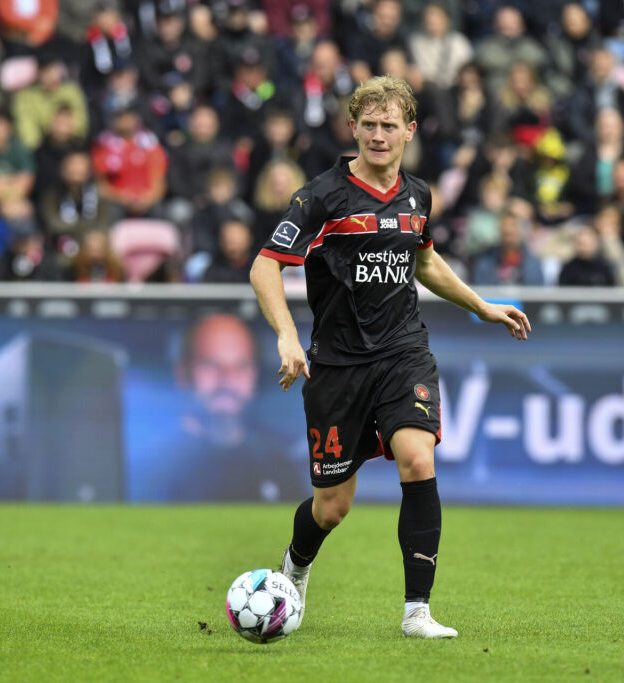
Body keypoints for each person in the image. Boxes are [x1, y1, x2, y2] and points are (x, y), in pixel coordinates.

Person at [249, 76, 531, 639]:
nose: (379, 135)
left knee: (418, 460)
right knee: (331, 508)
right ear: (353, 128)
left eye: (389, 125)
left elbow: (425, 262)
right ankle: (295, 567)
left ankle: (416, 612)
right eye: (369, 125)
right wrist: (285, 335)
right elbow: (264, 266)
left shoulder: (417, 195)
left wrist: (481, 306)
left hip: (404, 352)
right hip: (338, 366)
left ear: (409, 130)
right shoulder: (320, 197)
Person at [140, 313, 308, 502]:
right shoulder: (150, 465)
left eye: (241, 366)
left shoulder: (284, 462)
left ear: (254, 375)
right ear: (182, 373)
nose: (228, 379)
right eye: (211, 364)